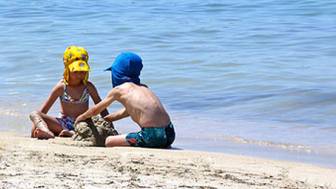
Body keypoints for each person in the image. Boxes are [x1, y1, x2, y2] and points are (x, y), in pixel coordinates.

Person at [75, 52, 175, 148]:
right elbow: (125, 113)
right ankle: (162, 144)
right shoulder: (145, 88)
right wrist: (107, 119)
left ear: (117, 73)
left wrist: (81, 117)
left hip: (152, 136)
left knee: (109, 141)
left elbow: (96, 110)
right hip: (170, 133)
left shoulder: (118, 90)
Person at [29, 46, 109, 139]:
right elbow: (43, 111)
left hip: (83, 123)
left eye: (83, 71)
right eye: (76, 71)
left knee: (91, 127)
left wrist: (109, 125)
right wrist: (34, 130)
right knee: (34, 114)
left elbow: (102, 107)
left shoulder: (88, 87)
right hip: (63, 123)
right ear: (67, 69)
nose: (79, 75)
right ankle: (46, 131)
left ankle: (71, 133)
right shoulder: (61, 87)